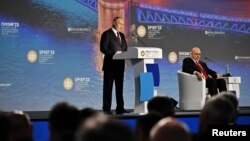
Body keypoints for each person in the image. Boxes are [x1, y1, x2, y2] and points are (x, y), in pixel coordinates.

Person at [100, 16, 128, 115]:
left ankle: (120, 108)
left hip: (120, 66)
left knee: (119, 88)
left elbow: (125, 49)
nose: (121, 26)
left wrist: (124, 53)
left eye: (122, 24)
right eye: (120, 23)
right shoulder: (106, 34)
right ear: (114, 22)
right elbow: (103, 48)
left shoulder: (122, 35)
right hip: (110, 66)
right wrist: (113, 53)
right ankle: (106, 110)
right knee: (108, 88)